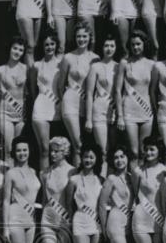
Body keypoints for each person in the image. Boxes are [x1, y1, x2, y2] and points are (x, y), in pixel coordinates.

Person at [58, 24, 99, 160]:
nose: (81, 39)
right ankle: (77, 177)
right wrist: (62, 100)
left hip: (88, 104)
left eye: (84, 36)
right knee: (77, 144)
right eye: (78, 36)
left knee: (88, 143)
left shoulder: (95, 58)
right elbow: (60, 83)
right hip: (71, 102)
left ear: (89, 38)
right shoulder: (68, 57)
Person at [115, 31, 155, 158]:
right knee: (133, 152)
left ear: (144, 44)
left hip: (146, 110)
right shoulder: (124, 63)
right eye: (132, 45)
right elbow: (117, 90)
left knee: (144, 152)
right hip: (129, 111)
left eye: (138, 44)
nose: (135, 47)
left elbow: (153, 91)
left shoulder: (151, 64)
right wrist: (120, 116)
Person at [84, 34, 118, 173]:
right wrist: (88, 119)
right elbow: (89, 94)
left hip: (115, 111)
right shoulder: (95, 67)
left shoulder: (119, 66)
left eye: (112, 46)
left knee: (114, 149)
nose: (109, 49)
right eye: (106, 46)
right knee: (103, 149)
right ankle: (102, 179)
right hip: (99, 111)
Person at [30, 32, 63, 171]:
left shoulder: (62, 63)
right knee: (44, 149)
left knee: (59, 151)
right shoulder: (37, 65)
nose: (49, 47)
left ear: (56, 45)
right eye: (46, 45)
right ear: (42, 47)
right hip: (41, 108)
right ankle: (45, 187)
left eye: (52, 44)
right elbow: (32, 89)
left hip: (58, 109)